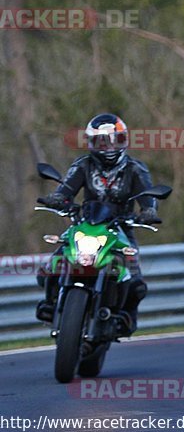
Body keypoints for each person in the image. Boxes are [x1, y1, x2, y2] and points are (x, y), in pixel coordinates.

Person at [36, 113, 160, 335]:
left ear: (124, 140)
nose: (109, 147)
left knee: (135, 281)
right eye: (102, 141)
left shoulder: (135, 168)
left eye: (115, 140)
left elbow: (146, 196)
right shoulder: (83, 165)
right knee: (52, 265)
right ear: (92, 142)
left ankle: (125, 317)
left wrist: (149, 211)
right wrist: (58, 199)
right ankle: (50, 303)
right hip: (86, 225)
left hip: (120, 228)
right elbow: (66, 189)